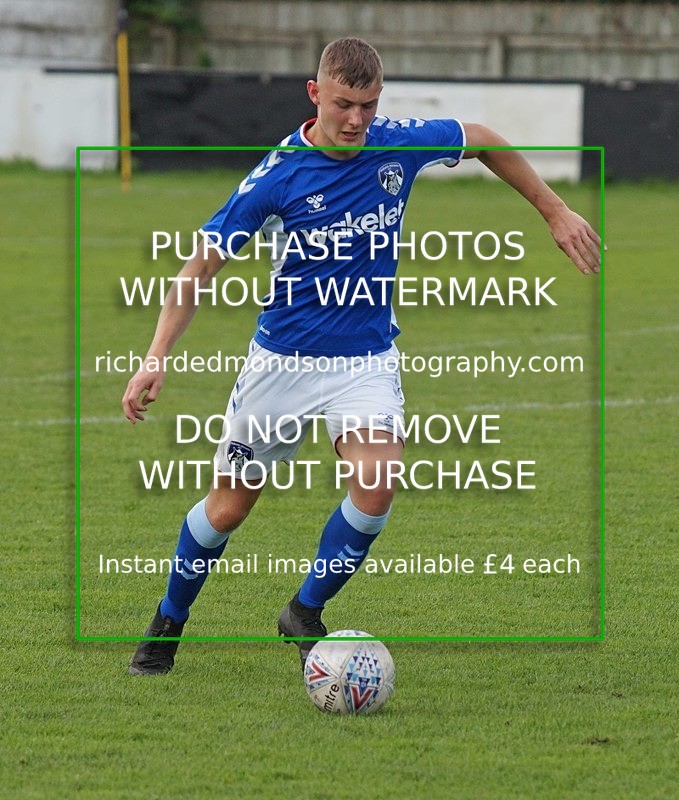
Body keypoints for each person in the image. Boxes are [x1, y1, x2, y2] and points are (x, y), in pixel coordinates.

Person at [124, 37, 601, 676]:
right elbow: (198, 268)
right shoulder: (277, 176)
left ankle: (303, 611)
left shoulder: (396, 144)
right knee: (228, 509)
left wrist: (555, 209)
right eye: (345, 105)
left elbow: (482, 137)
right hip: (282, 366)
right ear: (315, 94)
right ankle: (169, 620)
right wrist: (155, 356)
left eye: (369, 107)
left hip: (363, 361)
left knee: (377, 485)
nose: (356, 121)